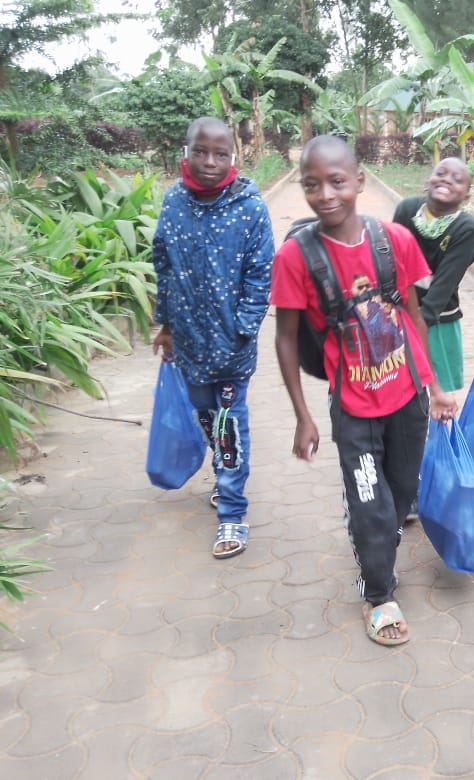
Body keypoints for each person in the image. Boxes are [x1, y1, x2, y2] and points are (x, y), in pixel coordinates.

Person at [270, 135, 456, 646]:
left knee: (399, 497)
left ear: (359, 181)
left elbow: (416, 318)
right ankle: (379, 594)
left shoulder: (393, 240)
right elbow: (285, 339)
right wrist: (303, 416)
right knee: (372, 503)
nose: (325, 194)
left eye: (336, 182)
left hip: (408, 400)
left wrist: (435, 388)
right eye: (312, 185)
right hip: (352, 407)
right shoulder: (295, 257)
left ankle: (373, 537)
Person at [151, 116, 274, 560]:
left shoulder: (250, 208)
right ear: (186, 152)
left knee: (228, 425)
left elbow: (261, 276)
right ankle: (226, 476)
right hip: (187, 344)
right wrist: (165, 325)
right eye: (201, 151)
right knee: (207, 418)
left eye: (220, 154)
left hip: (232, 349)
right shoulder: (174, 203)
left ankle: (232, 514)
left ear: (233, 157)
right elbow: (162, 264)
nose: (209, 162)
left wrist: (242, 328)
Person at [392, 157, 474, 394]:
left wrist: (415, 328)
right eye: (441, 173)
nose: (447, 180)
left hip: (438, 318)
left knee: (435, 392)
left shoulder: (466, 229)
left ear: (466, 196)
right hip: (399, 314)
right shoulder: (406, 210)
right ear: (427, 182)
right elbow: (393, 264)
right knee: (398, 388)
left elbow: (444, 284)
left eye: (457, 179)